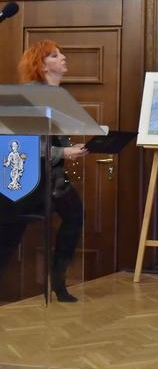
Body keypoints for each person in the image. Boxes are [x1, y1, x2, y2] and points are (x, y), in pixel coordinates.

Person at [0, 39, 89, 302]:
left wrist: (70, 147)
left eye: (61, 54)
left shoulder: (58, 96)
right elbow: (18, 144)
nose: (63, 58)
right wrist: (63, 152)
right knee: (9, 236)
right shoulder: (26, 97)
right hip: (24, 179)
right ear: (42, 65)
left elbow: (53, 137)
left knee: (74, 215)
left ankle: (58, 283)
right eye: (55, 55)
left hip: (54, 178)